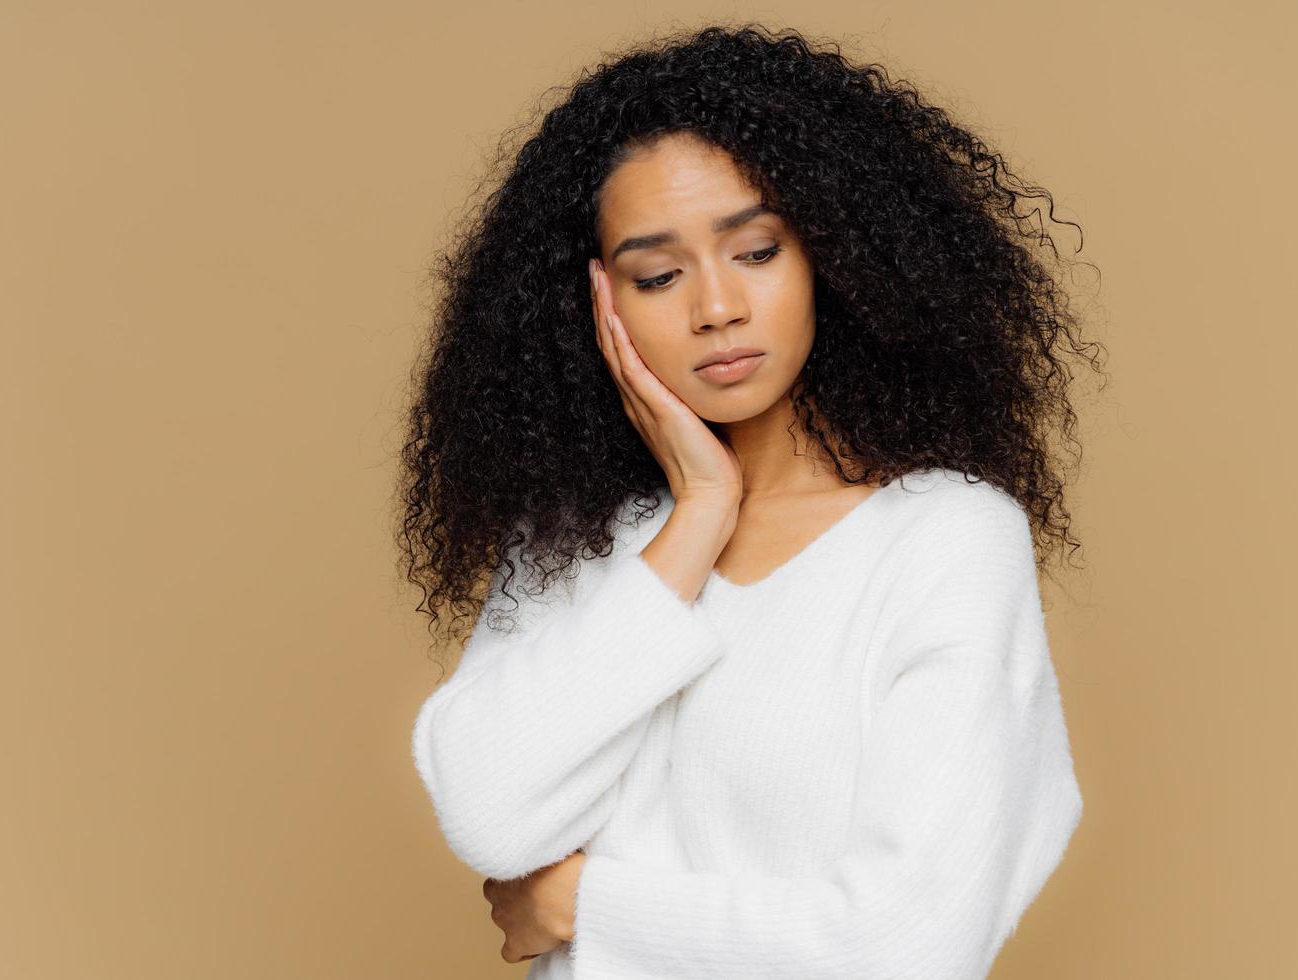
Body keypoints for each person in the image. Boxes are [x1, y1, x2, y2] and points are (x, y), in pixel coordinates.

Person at [398, 23, 1105, 979]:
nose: (716, 307)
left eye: (758, 252)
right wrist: (697, 514)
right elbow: (487, 810)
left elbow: (902, 946)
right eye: (658, 275)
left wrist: (579, 905)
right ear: (596, 302)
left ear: (834, 253)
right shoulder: (583, 538)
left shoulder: (946, 539)